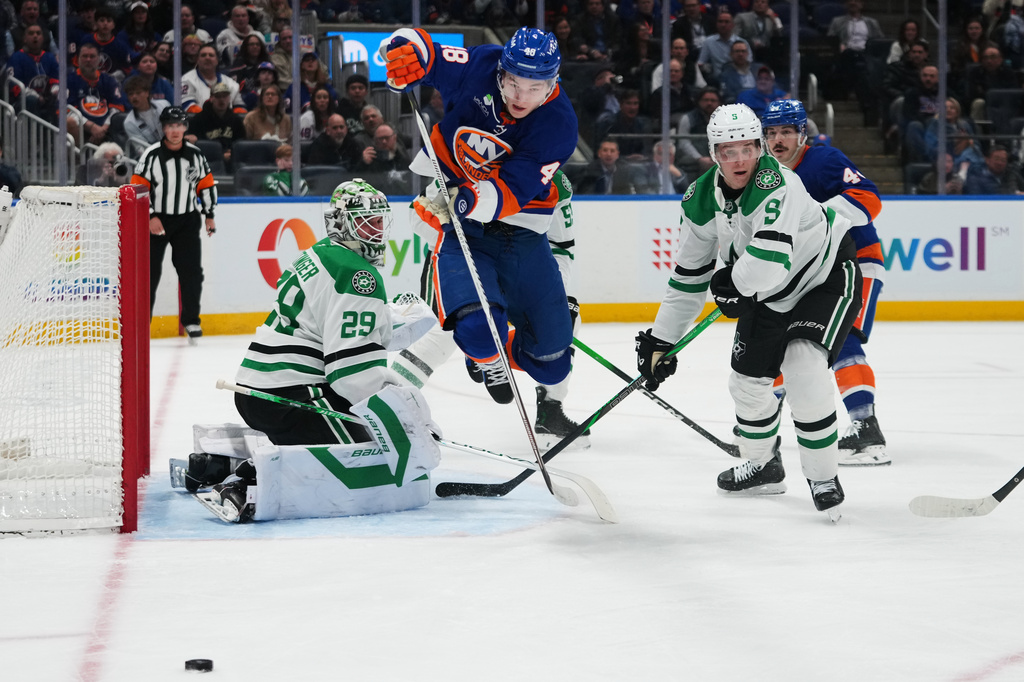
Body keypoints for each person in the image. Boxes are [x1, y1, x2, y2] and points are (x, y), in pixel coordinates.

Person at [635, 103, 860, 516]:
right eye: (727, 151)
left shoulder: (780, 181)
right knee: (746, 384)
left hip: (822, 278)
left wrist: (732, 284)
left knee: (803, 365)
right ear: (713, 154)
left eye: (747, 148)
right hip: (765, 292)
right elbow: (688, 278)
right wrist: (660, 340)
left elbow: (770, 263)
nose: (738, 159)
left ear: (760, 147)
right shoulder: (700, 198)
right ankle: (762, 465)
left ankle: (823, 475)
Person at [177, 180, 441, 522]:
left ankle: (218, 462)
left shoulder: (320, 254)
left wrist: (385, 324)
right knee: (375, 460)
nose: (376, 231)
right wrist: (404, 418)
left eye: (379, 220)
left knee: (350, 441)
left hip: (258, 392)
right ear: (342, 222)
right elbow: (351, 377)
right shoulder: (358, 275)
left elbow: (327, 326)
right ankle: (249, 484)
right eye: (366, 221)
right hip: (294, 398)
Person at [385, 26, 578, 402]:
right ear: (501, 72)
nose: (521, 97)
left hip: (520, 230)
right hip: (462, 226)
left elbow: (511, 191)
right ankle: (486, 355)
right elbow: (426, 51)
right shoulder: (482, 64)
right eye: (514, 83)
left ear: (553, 83)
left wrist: (462, 200)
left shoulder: (558, 124)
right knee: (473, 327)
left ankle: (504, 352)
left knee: (553, 362)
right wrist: (404, 53)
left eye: (535, 88)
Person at [393, 169, 591, 447]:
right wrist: (453, 236)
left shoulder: (554, 179)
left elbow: (561, 245)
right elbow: (418, 215)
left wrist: (561, 293)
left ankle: (550, 410)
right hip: (465, 256)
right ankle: (388, 411)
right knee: (443, 332)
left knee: (566, 320)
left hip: (521, 261)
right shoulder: (468, 160)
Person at [761, 99, 887, 466]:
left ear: (802, 133)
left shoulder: (825, 160)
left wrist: (819, 219)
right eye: (771, 132)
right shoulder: (767, 174)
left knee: (842, 339)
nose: (778, 139)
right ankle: (762, 426)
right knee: (786, 344)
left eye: (786, 131)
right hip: (813, 274)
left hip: (856, 264)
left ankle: (866, 427)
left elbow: (869, 198)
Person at [130, 106, 218, 342]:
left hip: (187, 219)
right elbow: (137, 188)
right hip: (157, 220)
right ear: (163, 128)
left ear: (185, 127)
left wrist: (209, 214)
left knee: (191, 273)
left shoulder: (196, 155)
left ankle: (191, 320)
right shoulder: (150, 155)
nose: (175, 130)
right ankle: (141, 323)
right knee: (149, 274)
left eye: (179, 125)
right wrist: (149, 216)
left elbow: (206, 185)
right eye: (170, 125)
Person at [66, 42, 128, 146]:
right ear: (78, 59)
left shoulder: (109, 80)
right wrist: (91, 127)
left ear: (99, 59)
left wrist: (103, 128)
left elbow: (117, 107)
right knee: (69, 121)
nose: (88, 60)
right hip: (81, 127)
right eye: (85, 56)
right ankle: (77, 160)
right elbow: (66, 109)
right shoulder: (69, 80)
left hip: (106, 128)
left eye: (92, 56)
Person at [185, 82, 246, 171]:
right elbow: (195, 147)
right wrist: (220, 155)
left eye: (224, 96)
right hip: (206, 163)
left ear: (229, 98)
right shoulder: (198, 119)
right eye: (218, 96)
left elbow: (240, 144)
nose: (222, 100)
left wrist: (232, 153)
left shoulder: (236, 120)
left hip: (231, 163)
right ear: (211, 98)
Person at [182, 43, 247, 115]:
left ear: (217, 60)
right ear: (197, 60)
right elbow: (188, 106)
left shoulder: (231, 84)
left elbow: (240, 109)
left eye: (211, 55)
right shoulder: (186, 80)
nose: (207, 58)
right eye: (203, 55)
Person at [123, 74, 170, 154]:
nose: (134, 97)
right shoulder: (129, 122)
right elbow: (141, 148)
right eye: (131, 94)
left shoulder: (164, 105)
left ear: (147, 93)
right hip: (153, 155)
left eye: (138, 93)